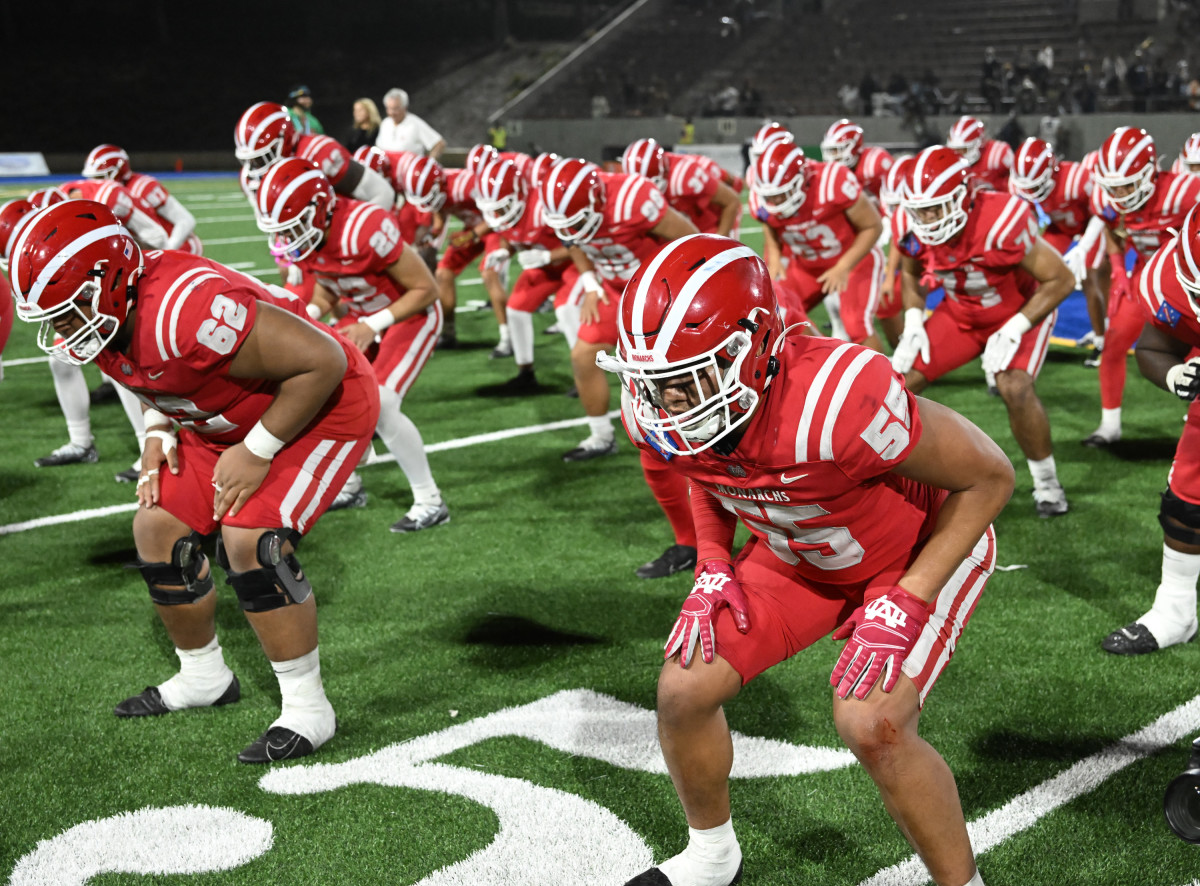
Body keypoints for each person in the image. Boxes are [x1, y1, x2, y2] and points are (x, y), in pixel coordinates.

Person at [596, 233, 1013, 886]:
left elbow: (989, 477)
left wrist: (908, 597)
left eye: (689, 377)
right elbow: (702, 473)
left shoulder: (839, 396)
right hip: (798, 553)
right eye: (656, 382)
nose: (670, 401)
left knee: (872, 723)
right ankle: (712, 857)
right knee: (683, 686)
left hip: (909, 555)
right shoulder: (656, 406)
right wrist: (712, 561)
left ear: (755, 349)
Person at [8, 199, 380, 762]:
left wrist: (257, 451)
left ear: (107, 284)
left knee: (251, 541)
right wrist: (155, 433)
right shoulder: (114, 310)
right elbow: (147, 374)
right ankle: (204, 676)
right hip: (220, 412)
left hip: (314, 403)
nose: (62, 328)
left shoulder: (187, 309)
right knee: (156, 529)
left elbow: (321, 361)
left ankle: (309, 709)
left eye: (66, 310)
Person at [256, 158, 449, 533]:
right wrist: (311, 312)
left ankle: (430, 501)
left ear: (317, 213)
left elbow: (427, 290)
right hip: (363, 316)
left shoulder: (365, 227)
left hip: (409, 315)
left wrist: (372, 324)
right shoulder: (312, 239)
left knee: (383, 404)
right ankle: (349, 486)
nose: (287, 239)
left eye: (293, 227)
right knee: (324, 392)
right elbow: (332, 283)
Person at [540, 158, 703, 580]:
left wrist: (681, 316)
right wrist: (591, 284)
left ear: (598, 201)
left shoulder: (635, 199)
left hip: (660, 295)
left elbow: (693, 245)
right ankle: (689, 540)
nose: (572, 232)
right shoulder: (574, 214)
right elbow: (572, 237)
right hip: (616, 290)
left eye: (579, 220)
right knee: (588, 361)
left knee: (687, 416)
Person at [893, 145, 1076, 517]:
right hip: (960, 314)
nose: (926, 219)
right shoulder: (908, 225)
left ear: (962, 198)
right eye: (919, 210)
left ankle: (1047, 484)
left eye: (935, 208)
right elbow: (911, 274)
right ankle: (902, 479)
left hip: (1016, 312)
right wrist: (913, 319)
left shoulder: (1001, 218)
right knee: (895, 385)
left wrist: (1015, 329)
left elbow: (1061, 278)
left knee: (1014, 386)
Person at [1102, 205, 1200, 654]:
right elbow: (1155, 347)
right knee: (1187, 499)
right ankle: (1176, 610)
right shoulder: (1170, 276)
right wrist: (1174, 375)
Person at [1085, 127, 1200, 447]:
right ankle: (1109, 425)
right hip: (1146, 280)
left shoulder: (1184, 191)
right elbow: (1111, 228)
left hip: (1188, 281)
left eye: (1128, 186)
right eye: (1114, 188)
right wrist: (1119, 269)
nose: (1119, 196)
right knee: (1114, 342)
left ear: (1151, 172)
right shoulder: (1106, 198)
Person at [750, 139, 886, 351]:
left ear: (800, 181)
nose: (774, 202)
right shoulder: (763, 197)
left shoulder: (831, 183)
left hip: (853, 258)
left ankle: (885, 381)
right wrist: (775, 254)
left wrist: (843, 267)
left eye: (780, 194)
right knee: (774, 310)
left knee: (856, 325)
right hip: (808, 264)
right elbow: (768, 221)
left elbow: (873, 226)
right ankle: (825, 358)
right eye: (769, 196)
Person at [1007, 137, 1110, 389]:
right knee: (1032, 273)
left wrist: (1084, 246)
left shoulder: (1077, 177)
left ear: (1051, 171)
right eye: (1026, 186)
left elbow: (1103, 210)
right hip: (1059, 227)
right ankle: (1021, 335)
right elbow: (1025, 213)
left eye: (1036, 185)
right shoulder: (1020, 184)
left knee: (1089, 276)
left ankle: (1101, 341)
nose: (1031, 192)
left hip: (1090, 226)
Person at [473, 157, 581, 394]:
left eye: (500, 206)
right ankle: (525, 373)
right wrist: (504, 250)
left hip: (573, 264)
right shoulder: (506, 210)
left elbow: (580, 242)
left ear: (520, 193)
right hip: (544, 267)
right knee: (516, 309)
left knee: (566, 311)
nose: (496, 214)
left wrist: (547, 257)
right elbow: (511, 235)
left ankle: (583, 376)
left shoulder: (544, 206)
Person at [235, 102, 396, 211]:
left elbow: (382, 193)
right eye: (249, 159)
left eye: (260, 157)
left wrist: (363, 233)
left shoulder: (318, 153)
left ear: (282, 143)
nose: (254, 166)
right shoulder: (250, 178)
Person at [620, 138, 743, 238]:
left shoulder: (684, 177)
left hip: (715, 215)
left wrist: (720, 240)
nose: (645, 191)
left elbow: (731, 201)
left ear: (664, 172)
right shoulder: (631, 184)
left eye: (651, 184)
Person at [946, 116, 1014, 193]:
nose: (958, 154)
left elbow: (1018, 182)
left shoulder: (997, 154)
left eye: (963, 149)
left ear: (979, 144)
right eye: (954, 149)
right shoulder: (949, 161)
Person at [376, 88, 445, 160]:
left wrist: (429, 164)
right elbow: (378, 147)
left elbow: (439, 144)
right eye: (389, 108)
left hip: (408, 169)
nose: (392, 113)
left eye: (396, 109)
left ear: (405, 107)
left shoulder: (414, 123)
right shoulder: (385, 123)